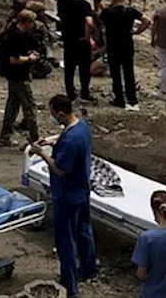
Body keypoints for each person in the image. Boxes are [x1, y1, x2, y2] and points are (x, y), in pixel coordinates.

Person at [31, 95, 97, 298]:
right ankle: (89, 269)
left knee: (65, 240)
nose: (51, 118)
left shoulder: (70, 141)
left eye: (52, 114)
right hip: (82, 190)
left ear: (60, 113)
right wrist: (52, 140)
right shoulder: (81, 127)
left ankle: (70, 285)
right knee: (84, 230)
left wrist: (41, 153)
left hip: (67, 195)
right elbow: (66, 138)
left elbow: (60, 169)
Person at [0, 8, 42, 148]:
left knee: (12, 106)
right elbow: (14, 59)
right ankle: (35, 141)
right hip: (19, 75)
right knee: (29, 107)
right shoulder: (16, 37)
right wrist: (30, 58)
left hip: (12, 76)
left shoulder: (9, 32)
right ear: (27, 22)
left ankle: (4, 136)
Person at [101, 0, 146, 111]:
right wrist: (136, 32)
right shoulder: (130, 11)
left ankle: (119, 98)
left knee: (115, 74)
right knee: (129, 72)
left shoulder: (107, 12)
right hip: (127, 45)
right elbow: (147, 20)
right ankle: (132, 98)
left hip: (113, 46)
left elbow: (101, 23)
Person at [58, 0, 95, 103]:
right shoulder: (84, 5)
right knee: (84, 67)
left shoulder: (64, 3)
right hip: (81, 39)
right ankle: (85, 92)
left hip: (69, 39)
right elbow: (89, 22)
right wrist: (87, 36)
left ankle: (70, 92)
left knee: (69, 68)